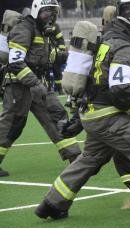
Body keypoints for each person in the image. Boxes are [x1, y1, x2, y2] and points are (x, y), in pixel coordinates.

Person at [35, 8, 130, 228]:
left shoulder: (110, 39)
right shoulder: (125, 47)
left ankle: (52, 204)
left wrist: (78, 118)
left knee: (90, 158)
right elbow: (121, 91)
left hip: (92, 113)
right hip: (108, 116)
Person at [0, 0, 81, 178]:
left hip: (39, 83)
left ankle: (75, 157)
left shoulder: (44, 32)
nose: (50, 17)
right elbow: (15, 63)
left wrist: (69, 56)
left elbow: (48, 57)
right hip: (18, 86)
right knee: (12, 125)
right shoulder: (24, 29)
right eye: (46, 13)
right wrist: (34, 84)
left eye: (54, 13)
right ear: (36, 12)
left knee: (57, 116)